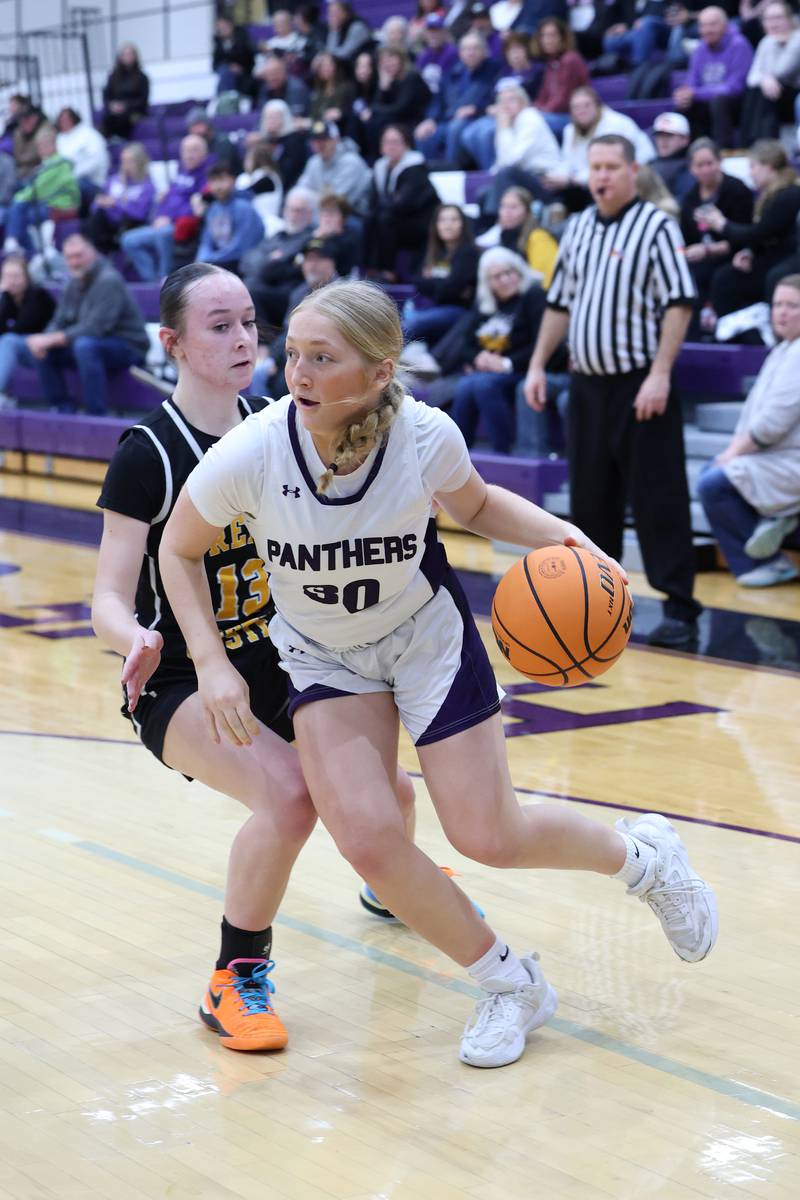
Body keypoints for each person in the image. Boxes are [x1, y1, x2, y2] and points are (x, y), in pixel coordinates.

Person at [158, 276, 718, 1070]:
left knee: (489, 835)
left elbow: (480, 507)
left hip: (424, 639)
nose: (299, 374)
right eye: (294, 356)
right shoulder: (253, 451)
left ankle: (645, 859)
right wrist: (212, 666)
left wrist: (567, 537)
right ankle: (510, 984)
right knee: (367, 841)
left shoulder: (423, 435)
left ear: (381, 371)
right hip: (324, 655)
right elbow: (176, 549)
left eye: (323, 358)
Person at [525, 134, 703, 649]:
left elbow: (680, 302)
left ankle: (680, 611)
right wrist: (537, 365)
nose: (601, 176)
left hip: (639, 384)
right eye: (594, 167)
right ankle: (596, 610)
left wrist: (662, 373)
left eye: (610, 166)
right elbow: (558, 304)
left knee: (658, 498)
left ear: (633, 170)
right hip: (586, 386)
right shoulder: (577, 227)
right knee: (590, 502)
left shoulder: (656, 225)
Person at [697, 275, 800, 587]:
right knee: (711, 472)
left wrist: (732, 454)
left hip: (790, 463)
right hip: (776, 459)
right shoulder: (784, 349)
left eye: (792, 305)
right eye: (778, 304)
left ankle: (766, 562)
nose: (781, 312)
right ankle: (775, 520)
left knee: (714, 483)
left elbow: (772, 424)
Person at [0, 233, 147, 414]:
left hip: (128, 346)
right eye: (69, 257)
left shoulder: (108, 280)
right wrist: (45, 338)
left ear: (92, 254)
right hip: (91, 345)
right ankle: (62, 407)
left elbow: (96, 328)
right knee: (44, 346)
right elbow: (58, 320)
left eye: (79, 256)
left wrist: (53, 338)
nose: (74, 262)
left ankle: (96, 413)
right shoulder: (72, 284)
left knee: (84, 345)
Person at [433, 246, 547, 452]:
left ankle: (503, 452)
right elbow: (466, 345)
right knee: (466, 386)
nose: (505, 280)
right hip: (488, 372)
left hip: (524, 370)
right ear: (488, 282)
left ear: (519, 271)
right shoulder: (485, 303)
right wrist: (479, 358)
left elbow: (542, 344)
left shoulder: (534, 295)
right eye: (497, 276)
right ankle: (457, 453)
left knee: (482, 385)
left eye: (509, 273)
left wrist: (505, 363)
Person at [698, 139, 800, 320]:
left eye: (753, 166)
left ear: (768, 166)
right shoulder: (771, 194)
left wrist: (722, 224)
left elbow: (762, 231)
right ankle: (730, 334)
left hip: (787, 260)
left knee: (772, 277)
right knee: (725, 277)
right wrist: (749, 251)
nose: (750, 173)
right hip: (772, 258)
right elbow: (763, 235)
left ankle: (767, 335)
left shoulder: (789, 193)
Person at [679, 137, 754, 322]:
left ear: (719, 162)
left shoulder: (737, 190)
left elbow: (746, 235)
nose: (705, 169)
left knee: (720, 277)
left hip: (734, 255)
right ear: (691, 168)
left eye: (709, 163)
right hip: (700, 258)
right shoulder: (690, 199)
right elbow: (686, 238)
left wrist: (707, 250)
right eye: (699, 165)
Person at [120, 134, 210, 282]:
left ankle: (165, 278)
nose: (189, 155)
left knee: (163, 234)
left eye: (194, 150)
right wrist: (159, 216)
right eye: (186, 151)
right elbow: (168, 199)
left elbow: (196, 207)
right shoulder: (182, 172)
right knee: (129, 240)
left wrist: (170, 219)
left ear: (204, 153)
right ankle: (152, 280)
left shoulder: (206, 175)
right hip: (164, 224)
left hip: (182, 227)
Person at [363, 124, 440, 276]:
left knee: (385, 219)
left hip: (422, 222)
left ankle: (388, 272)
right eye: (387, 142)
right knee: (369, 218)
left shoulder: (415, 167)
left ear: (406, 144)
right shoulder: (381, 167)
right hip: (398, 219)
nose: (390, 146)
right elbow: (374, 201)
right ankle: (368, 270)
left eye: (395, 142)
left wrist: (382, 206)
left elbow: (404, 204)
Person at [468, 81, 562, 204]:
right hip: (523, 178)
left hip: (546, 181)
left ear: (523, 102)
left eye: (511, 100)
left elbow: (511, 161)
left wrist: (504, 129)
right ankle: (494, 221)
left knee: (506, 174)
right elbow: (502, 161)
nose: (505, 106)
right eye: (502, 102)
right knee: (483, 195)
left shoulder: (529, 118)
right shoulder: (508, 122)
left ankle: (501, 220)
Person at [414, 31, 500, 164]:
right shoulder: (452, 73)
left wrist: (476, 108)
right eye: (466, 49)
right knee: (424, 134)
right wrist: (430, 119)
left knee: (456, 127)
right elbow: (438, 101)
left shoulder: (494, 70)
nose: (470, 53)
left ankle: (452, 171)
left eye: (475, 48)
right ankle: (429, 174)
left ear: (484, 51)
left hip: (476, 118)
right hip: (447, 120)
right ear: (460, 53)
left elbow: (495, 98)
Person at [673, 7, 753, 148]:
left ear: (725, 26)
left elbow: (735, 87)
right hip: (708, 102)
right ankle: (687, 153)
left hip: (737, 105)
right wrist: (684, 94)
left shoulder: (739, 45)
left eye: (712, 24)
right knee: (683, 105)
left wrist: (695, 93)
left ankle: (724, 151)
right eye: (703, 25)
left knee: (719, 102)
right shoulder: (699, 49)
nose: (707, 30)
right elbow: (691, 83)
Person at [240, 186, 317, 327]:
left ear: (310, 214)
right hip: (258, 285)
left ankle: (262, 343)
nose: (293, 215)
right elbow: (246, 261)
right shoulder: (277, 236)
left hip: (284, 294)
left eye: (299, 211)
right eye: (290, 209)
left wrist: (268, 264)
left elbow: (278, 271)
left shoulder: (310, 240)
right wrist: (270, 260)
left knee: (251, 293)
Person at [404, 202, 480, 345]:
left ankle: (378, 362)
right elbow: (417, 281)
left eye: (454, 219)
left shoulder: (468, 252)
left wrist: (433, 281)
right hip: (434, 308)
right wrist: (443, 284)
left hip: (460, 311)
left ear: (463, 224)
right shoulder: (433, 251)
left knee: (413, 321)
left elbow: (449, 291)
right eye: (442, 220)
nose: (448, 224)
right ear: (436, 225)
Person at [2, 124, 80, 255]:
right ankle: (20, 246)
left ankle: (19, 245)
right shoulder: (46, 165)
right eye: (39, 146)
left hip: (61, 204)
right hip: (48, 202)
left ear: (54, 145)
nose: (41, 150)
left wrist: (19, 199)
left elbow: (39, 189)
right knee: (17, 211)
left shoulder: (59, 163)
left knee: (19, 208)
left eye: (44, 145)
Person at [740, 1, 800, 145]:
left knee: (766, 91)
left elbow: (782, 69)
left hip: (793, 92)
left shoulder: (797, 38)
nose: (773, 23)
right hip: (774, 92)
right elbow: (751, 78)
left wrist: (766, 77)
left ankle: (763, 144)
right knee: (758, 91)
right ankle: (755, 144)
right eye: (768, 19)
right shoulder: (765, 41)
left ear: (789, 19)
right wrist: (766, 79)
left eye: (778, 17)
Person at [0, 254, 56, 409]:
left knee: (8, 341)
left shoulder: (38, 295)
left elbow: (21, 328)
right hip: (23, 350)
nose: (12, 281)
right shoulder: (8, 298)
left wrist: (3, 297)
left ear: (27, 277)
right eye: (7, 276)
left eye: (16, 276)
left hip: (48, 350)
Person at [82, 141, 156, 254]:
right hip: (106, 224)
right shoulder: (113, 180)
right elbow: (96, 205)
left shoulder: (146, 186)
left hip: (128, 225)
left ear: (140, 163)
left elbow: (140, 214)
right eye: (123, 161)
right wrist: (99, 203)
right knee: (93, 218)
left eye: (130, 161)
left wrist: (116, 204)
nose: (125, 165)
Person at [477, 185, 559, 286]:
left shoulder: (538, 237)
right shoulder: (502, 236)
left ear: (527, 211)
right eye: (503, 206)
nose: (507, 212)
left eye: (513, 207)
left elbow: (545, 280)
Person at [194, 164, 265, 272]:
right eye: (213, 181)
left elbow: (241, 247)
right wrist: (202, 260)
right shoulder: (213, 209)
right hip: (218, 262)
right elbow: (207, 242)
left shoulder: (244, 208)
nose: (218, 186)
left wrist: (211, 261)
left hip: (241, 264)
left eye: (222, 180)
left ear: (232, 180)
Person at [295, 119, 372, 215]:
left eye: (324, 140)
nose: (319, 145)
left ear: (336, 139)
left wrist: (308, 200)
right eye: (315, 140)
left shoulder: (351, 162)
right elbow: (299, 190)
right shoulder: (314, 162)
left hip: (355, 215)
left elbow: (334, 202)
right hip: (324, 213)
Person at [530, 17, 590, 139]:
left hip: (571, 117)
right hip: (552, 114)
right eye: (544, 36)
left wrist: (539, 112)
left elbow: (563, 102)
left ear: (563, 38)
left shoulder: (570, 60)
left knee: (531, 123)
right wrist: (533, 108)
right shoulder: (552, 62)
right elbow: (543, 95)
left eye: (552, 35)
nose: (547, 40)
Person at [55, 107, 110, 208]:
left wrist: (72, 175)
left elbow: (97, 161)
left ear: (74, 119)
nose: (63, 123)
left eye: (66, 119)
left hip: (92, 182)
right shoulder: (60, 138)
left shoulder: (89, 134)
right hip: (66, 180)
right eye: (61, 120)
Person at [100, 43, 150, 140]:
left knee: (123, 117)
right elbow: (106, 95)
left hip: (134, 111)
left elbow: (143, 100)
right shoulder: (113, 77)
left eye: (130, 54)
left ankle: (121, 140)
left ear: (136, 57)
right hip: (115, 110)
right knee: (107, 118)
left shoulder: (142, 78)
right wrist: (111, 105)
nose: (128, 57)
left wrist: (125, 106)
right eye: (125, 54)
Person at [649, 112, 694, 201]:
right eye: (659, 136)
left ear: (685, 139)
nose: (663, 141)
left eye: (669, 136)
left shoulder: (689, 167)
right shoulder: (648, 164)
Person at [212, 13, 256, 96]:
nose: (222, 30)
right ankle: (223, 98)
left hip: (244, 73)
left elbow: (250, 59)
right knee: (225, 72)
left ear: (231, 25)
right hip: (226, 73)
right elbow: (215, 65)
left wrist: (240, 68)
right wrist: (229, 66)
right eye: (220, 28)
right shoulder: (218, 44)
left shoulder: (243, 38)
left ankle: (223, 98)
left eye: (224, 26)